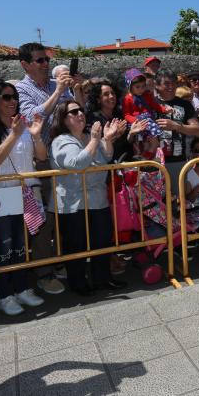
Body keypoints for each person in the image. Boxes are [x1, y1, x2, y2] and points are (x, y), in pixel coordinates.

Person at [0, 81, 47, 316]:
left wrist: (34, 136)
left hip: (24, 193)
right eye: (6, 97)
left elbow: (42, 157)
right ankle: (4, 294)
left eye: (14, 96)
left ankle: (23, 288)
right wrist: (14, 135)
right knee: (3, 247)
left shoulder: (21, 123)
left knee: (21, 246)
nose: (12, 101)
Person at [15, 42, 80, 295]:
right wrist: (59, 91)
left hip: (63, 157)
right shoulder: (20, 89)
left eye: (46, 60)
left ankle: (59, 260)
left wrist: (76, 91)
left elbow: (71, 113)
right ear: (25, 64)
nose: (45, 64)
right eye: (40, 60)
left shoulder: (57, 86)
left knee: (64, 213)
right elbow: (33, 117)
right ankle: (44, 272)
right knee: (43, 220)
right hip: (40, 160)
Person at [49, 101, 126, 295]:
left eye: (81, 110)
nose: (80, 114)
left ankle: (103, 279)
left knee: (102, 241)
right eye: (73, 112)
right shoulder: (61, 140)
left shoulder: (90, 136)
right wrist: (94, 139)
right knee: (77, 245)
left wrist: (107, 138)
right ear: (64, 119)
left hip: (97, 198)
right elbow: (77, 163)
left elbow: (107, 156)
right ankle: (78, 283)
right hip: (74, 203)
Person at [152, 70, 199, 190]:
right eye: (167, 84)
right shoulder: (150, 104)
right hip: (154, 163)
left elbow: (197, 129)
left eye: (173, 83)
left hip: (178, 162)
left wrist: (176, 126)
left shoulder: (185, 105)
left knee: (177, 202)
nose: (171, 87)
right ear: (157, 85)